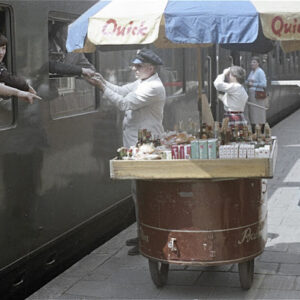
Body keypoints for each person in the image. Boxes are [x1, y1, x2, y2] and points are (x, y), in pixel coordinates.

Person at [86, 48, 166, 255]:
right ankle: (144, 234)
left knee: (145, 193)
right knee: (138, 192)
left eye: (138, 66)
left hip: (146, 146)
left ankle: (150, 237)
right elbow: (121, 90)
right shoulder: (143, 82)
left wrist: (101, 87)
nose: (133, 68)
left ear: (150, 67)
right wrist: (102, 79)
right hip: (139, 145)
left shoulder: (153, 87)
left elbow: (124, 103)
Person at [245, 56, 267, 129]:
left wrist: (253, 84)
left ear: (258, 63)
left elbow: (264, 84)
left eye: (254, 62)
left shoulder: (260, 72)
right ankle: (254, 129)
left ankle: (260, 130)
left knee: (259, 113)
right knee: (253, 114)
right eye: (251, 62)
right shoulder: (252, 72)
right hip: (252, 96)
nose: (252, 64)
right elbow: (248, 81)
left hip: (258, 96)